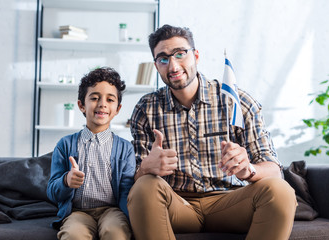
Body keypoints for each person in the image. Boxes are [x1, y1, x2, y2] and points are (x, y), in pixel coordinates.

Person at [127, 24, 297, 240]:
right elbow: (133, 180)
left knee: (280, 191)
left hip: (230, 202)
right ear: (156, 65)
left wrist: (248, 169)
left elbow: (274, 169)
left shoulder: (238, 102)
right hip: (177, 205)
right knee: (144, 186)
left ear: (196, 55)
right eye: (163, 59)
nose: (173, 65)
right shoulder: (146, 108)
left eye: (180, 54)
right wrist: (145, 169)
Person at [47, 67, 136, 240]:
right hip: (78, 212)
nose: (102, 103)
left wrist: (132, 219)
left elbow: (127, 191)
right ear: (81, 105)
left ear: (117, 108)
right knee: (73, 235)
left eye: (110, 100)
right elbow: (52, 191)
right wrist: (66, 181)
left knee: (116, 233)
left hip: (112, 211)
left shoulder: (125, 149)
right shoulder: (65, 145)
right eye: (95, 98)